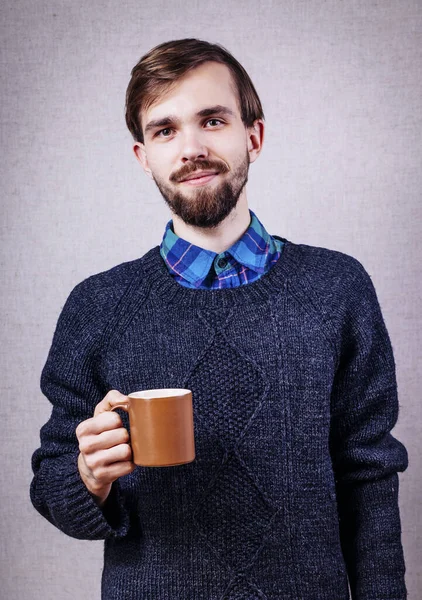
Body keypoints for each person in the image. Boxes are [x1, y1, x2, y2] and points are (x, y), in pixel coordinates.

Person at [30, 38, 409, 600]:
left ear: (253, 135)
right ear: (143, 157)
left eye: (212, 120)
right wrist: (89, 479)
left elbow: (369, 477)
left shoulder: (337, 288)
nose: (191, 148)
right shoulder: (97, 306)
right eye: (165, 130)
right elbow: (52, 482)